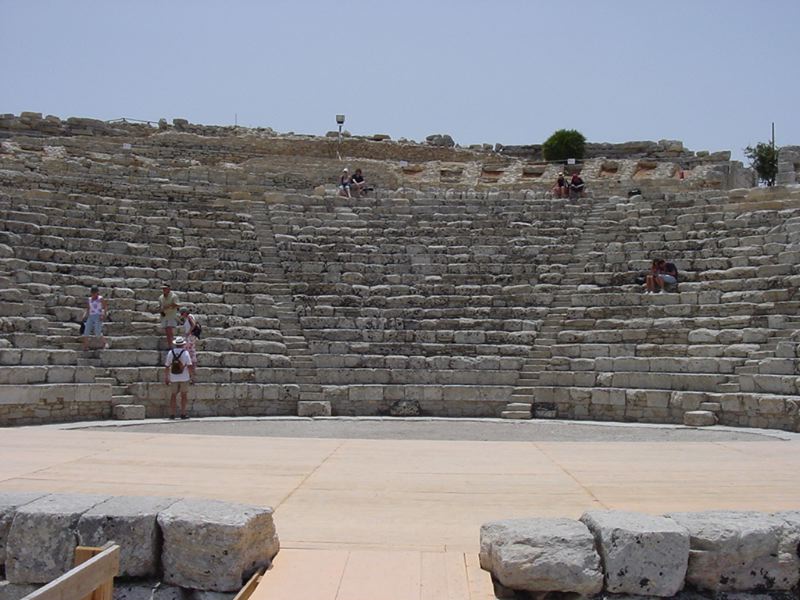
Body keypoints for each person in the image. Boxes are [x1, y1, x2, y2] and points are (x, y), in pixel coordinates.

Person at [164, 336, 193, 420]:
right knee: (184, 395)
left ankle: (172, 414)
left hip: (173, 377)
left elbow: (167, 366)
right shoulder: (185, 353)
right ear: (183, 344)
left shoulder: (171, 352)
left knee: (173, 395)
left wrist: (166, 377)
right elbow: (189, 365)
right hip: (184, 377)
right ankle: (183, 413)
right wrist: (191, 376)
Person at [81, 286, 108, 351]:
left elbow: (105, 307)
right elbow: (88, 308)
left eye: (95, 292)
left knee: (97, 332)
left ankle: (105, 343)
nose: (94, 294)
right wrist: (84, 315)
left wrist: (103, 314)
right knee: (86, 331)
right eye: (93, 293)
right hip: (91, 316)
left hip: (98, 316)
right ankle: (86, 346)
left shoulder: (100, 298)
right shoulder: (89, 299)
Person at [158, 283, 179, 347]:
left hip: (171, 316)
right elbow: (160, 305)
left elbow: (176, 305)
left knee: (169, 331)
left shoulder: (174, 296)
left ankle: (172, 345)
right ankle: (170, 345)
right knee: (167, 332)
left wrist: (166, 307)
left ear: (169, 289)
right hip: (164, 316)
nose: (164, 290)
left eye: (165, 288)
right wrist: (159, 309)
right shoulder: (161, 297)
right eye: (163, 288)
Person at [179, 307, 199, 374]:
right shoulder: (190, 317)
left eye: (182, 313)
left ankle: (191, 367)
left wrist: (189, 332)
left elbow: (193, 324)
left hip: (190, 336)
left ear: (185, 312)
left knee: (190, 351)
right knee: (191, 351)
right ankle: (192, 367)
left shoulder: (189, 317)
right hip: (191, 336)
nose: (181, 315)